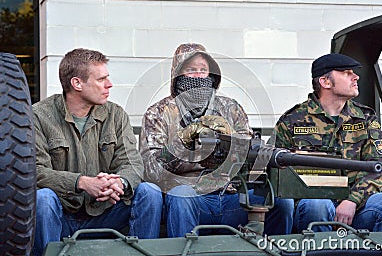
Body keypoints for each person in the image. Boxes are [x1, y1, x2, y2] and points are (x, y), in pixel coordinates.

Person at [140, 43, 294, 238]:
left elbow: (253, 158)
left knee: (281, 202)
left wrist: (231, 140)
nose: (198, 75)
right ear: (178, 74)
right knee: (181, 195)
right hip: (190, 199)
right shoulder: (159, 113)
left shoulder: (231, 108)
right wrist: (184, 141)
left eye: (203, 70)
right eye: (191, 70)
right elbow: (152, 170)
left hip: (232, 196)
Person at [32, 48, 162, 256]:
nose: (109, 85)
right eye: (101, 79)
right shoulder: (39, 116)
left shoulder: (116, 114)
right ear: (77, 83)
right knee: (43, 199)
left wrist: (119, 183)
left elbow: (132, 163)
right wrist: (82, 182)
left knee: (150, 193)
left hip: (107, 213)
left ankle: (142, 253)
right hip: (61, 215)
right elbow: (36, 171)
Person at [272, 53, 382, 233]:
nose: (356, 77)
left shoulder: (365, 117)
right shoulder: (292, 120)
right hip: (310, 209)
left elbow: (379, 166)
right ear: (325, 82)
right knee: (318, 205)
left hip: (357, 208)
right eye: (347, 73)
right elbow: (279, 175)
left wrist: (352, 200)